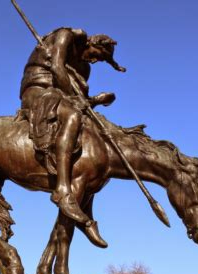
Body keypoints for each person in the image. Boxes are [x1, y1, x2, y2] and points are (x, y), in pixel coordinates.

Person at [19, 27, 125, 242]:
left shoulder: (85, 68)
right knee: (73, 117)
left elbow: (80, 99)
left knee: (94, 137)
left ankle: (86, 210)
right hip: (39, 91)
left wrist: (96, 100)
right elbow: (57, 68)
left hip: (62, 98)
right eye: (97, 55)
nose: (95, 61)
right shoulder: (67, 35)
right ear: (92, 43)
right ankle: (63, 190)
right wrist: (79, 103)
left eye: (101, 61)